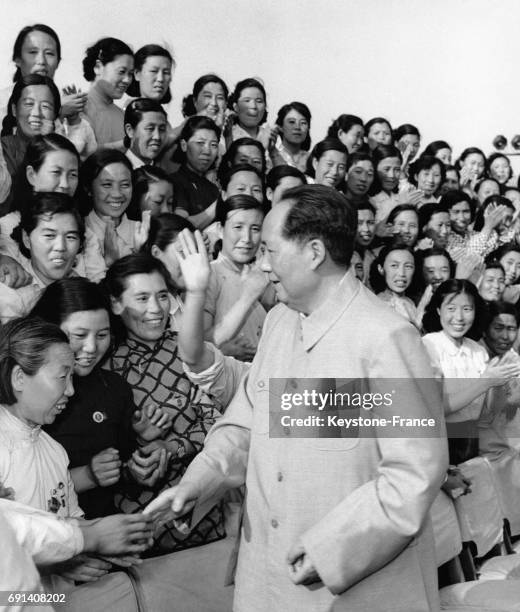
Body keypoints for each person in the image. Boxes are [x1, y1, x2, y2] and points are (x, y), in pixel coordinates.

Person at [147, 184, 448, 612]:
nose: (261, 264)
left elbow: (414, 474)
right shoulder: (280, 323)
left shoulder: (387, 338)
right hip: (267, 578)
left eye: (270, 250)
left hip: (352, 589)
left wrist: (331, 550)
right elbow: (251, 420)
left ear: (313, 252)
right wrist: (198, 483)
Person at [105, 254, 226, 554]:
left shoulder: (188, 348)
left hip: (202, 511)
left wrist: (171, 448)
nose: (155, 309)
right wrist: (135, 452)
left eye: (162, 296)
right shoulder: (103, 367)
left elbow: (217, 420)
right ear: (116, 304)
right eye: (142, 298)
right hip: (137, 523)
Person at [30, 278, 170, 519]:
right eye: (79, 335)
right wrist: (87, 476)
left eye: (102, 334)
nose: (92, 347)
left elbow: (123, 471)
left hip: (104, 529)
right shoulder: (24, 394)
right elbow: (20, 488)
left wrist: (143, 451)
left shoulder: (114, 388)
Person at [422, 279, 520, 465]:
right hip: (440, 440)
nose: (459, 317)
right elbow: (436, 407)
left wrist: (502, 381)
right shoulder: (429, 345)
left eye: (467, 309)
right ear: (438, 310)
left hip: (473, 439)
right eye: (451, 308)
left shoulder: (477, 350)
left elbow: (487, 412)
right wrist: (485, 381)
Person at [204, 194, 269, 360]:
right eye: (238, 227)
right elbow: (199, 343)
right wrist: (224, 351)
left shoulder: (259, 274)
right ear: (220, 229)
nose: (247, 239)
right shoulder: (209, 274)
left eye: (255, 229)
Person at [0, 192, 84, 322]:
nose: (61, 247)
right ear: (27, 239)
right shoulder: (10, 293)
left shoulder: (82, 287)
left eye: (71, 237)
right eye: (49, 236)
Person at [79, 148, 141, 269]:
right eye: (107, 185)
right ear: (88, 188)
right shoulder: (79, 232)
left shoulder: (142, 231)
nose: (117, 194)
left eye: (125, 185)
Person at [171, 116, 221, 229]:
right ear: (184, 145)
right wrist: (220, 201)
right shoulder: (175, 182)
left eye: (213, 145)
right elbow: (183, 225)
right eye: (200, 143)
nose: (207, 151)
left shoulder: (213, 188)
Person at [83, 37, 134, 146]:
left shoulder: (123, 116)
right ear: (98, 67)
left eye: (130, 74)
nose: (127, 80)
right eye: (122, 71)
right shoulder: (76, 108)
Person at [369, 243, 418, 325]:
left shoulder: (409, 302)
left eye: (408, 266)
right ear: (380, 269)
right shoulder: (377, 304)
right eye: (394, 265)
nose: (402, 273)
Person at [123, 98, 168, 168]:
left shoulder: (163, 173)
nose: (157, 136)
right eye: (150, 129)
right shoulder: (118, 172)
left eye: (162, 129)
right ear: (130, 130)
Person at [271, 101, 311, 172]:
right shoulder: (270, 155)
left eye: (303, 123)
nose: (297, 127)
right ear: (280, 127)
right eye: (292, 122)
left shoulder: (313, 159)